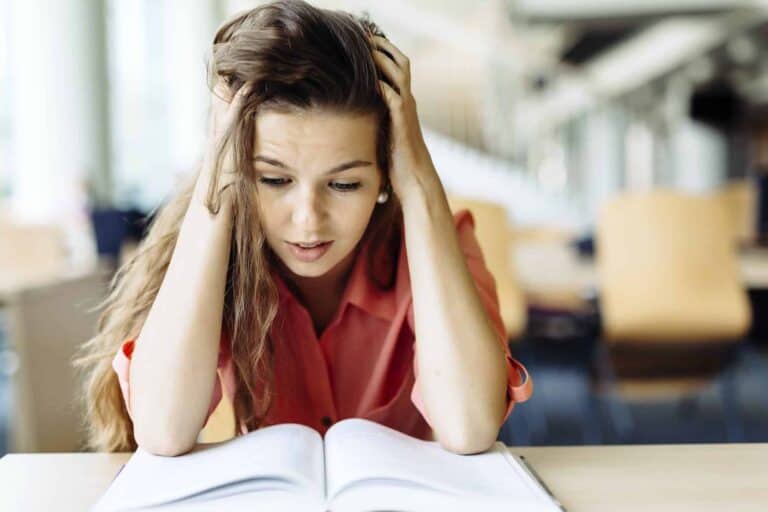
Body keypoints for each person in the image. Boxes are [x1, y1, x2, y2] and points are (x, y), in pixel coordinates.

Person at [75, 0, 532, 457]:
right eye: (274, 180)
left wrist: (420, 184)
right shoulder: (217, 253)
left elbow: (470, 426)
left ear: (385, 174)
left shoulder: (440, 243)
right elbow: (162, 429)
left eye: (345, 183)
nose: (308, 219)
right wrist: (218, 180)